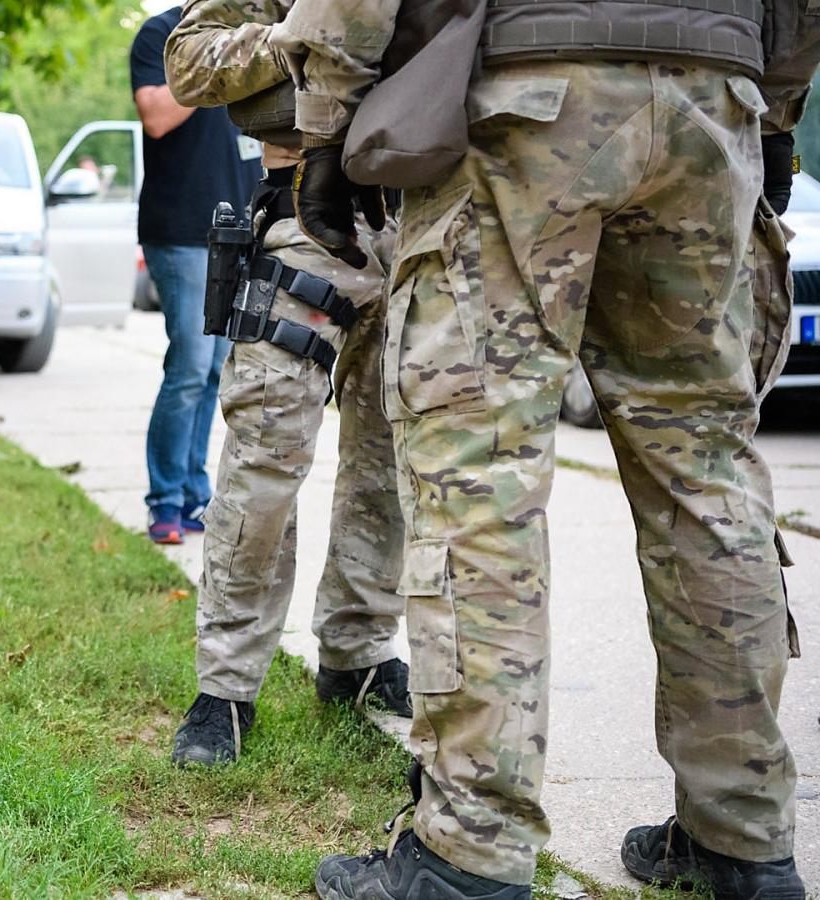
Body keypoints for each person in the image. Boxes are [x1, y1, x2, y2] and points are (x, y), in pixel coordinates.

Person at [277, 1, 820, 897]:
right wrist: (773, 111)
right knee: (706, 474)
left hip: (527, 94)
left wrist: (326, 126)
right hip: (713, 99)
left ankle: (472, 852)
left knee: (478, 474)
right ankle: (743, 838)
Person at [161, 0, 412, 771]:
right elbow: (189, 62)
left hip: (433, 219)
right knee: (265, 454)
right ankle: (227, 687)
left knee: (392, 459)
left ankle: (358, 654)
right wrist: (296, 42)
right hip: (306, 215)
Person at [131, 5, 260, 544]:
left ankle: (192, 493)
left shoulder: (249, 33)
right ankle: (164, 498)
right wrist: (216, 60)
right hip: (181, 229)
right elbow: (156, 114)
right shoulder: (163, 33)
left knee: (214, 370)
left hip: (239, 230)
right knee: (188, 363)